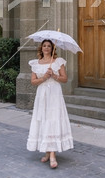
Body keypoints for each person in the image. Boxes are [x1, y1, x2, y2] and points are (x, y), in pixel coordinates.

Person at [26, 39, 73, 168]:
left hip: (54, 94)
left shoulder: (58, 62)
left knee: (52, 120)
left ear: (52, 49)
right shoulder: (36, 63)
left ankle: (52, 155)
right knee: (44, 120)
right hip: (42, 95)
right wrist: (44, 78)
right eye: (44, 46)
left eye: (49, 46)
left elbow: (65, 79)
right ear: (41, 48)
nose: (46, 48)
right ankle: (47, 152)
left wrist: (54, 76)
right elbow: (33, 82)